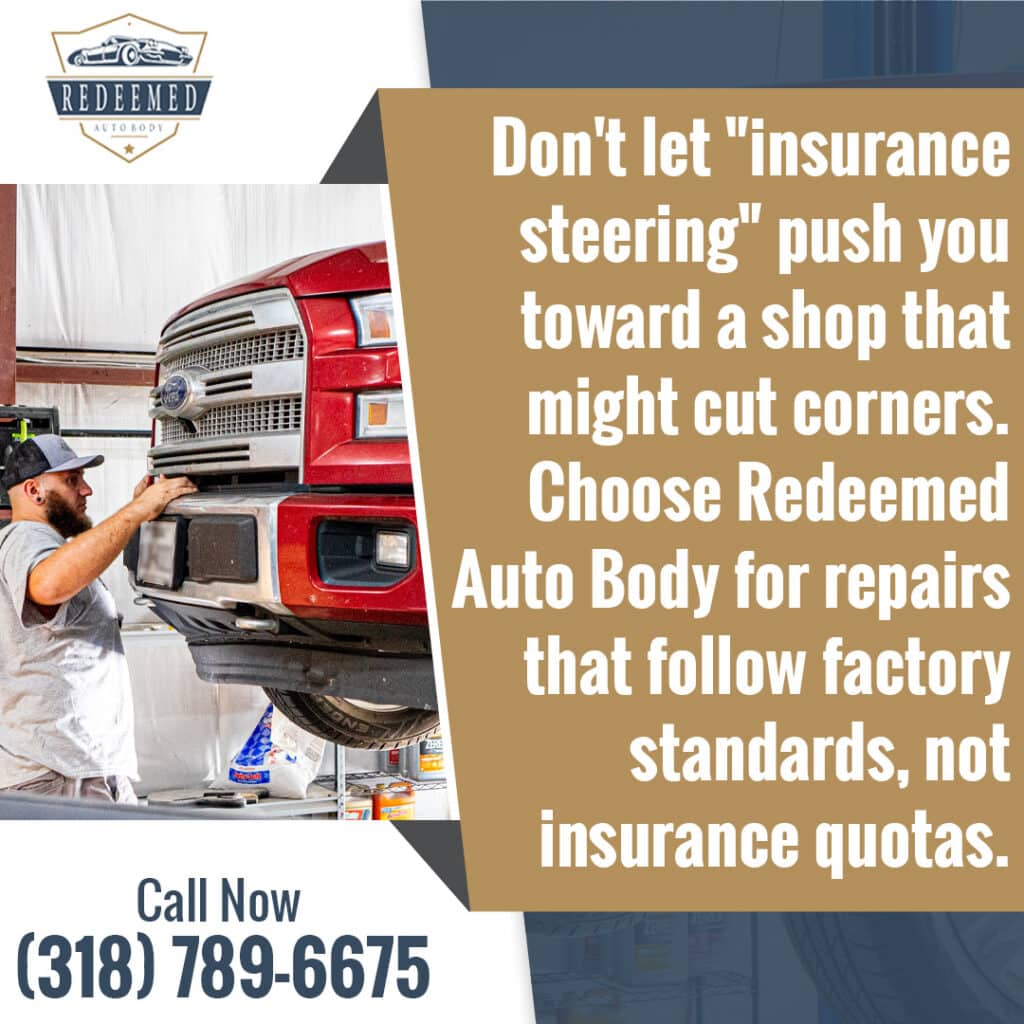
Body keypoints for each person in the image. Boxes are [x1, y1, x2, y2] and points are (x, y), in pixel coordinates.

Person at [0, 434, 196, 803]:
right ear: (34, 491)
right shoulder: (26, 537)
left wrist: (138, 510)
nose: (86, 490)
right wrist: (137, 511)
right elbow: (47, 585)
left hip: (72, 770)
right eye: (72, 480)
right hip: (60, 777)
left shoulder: (49, 546)